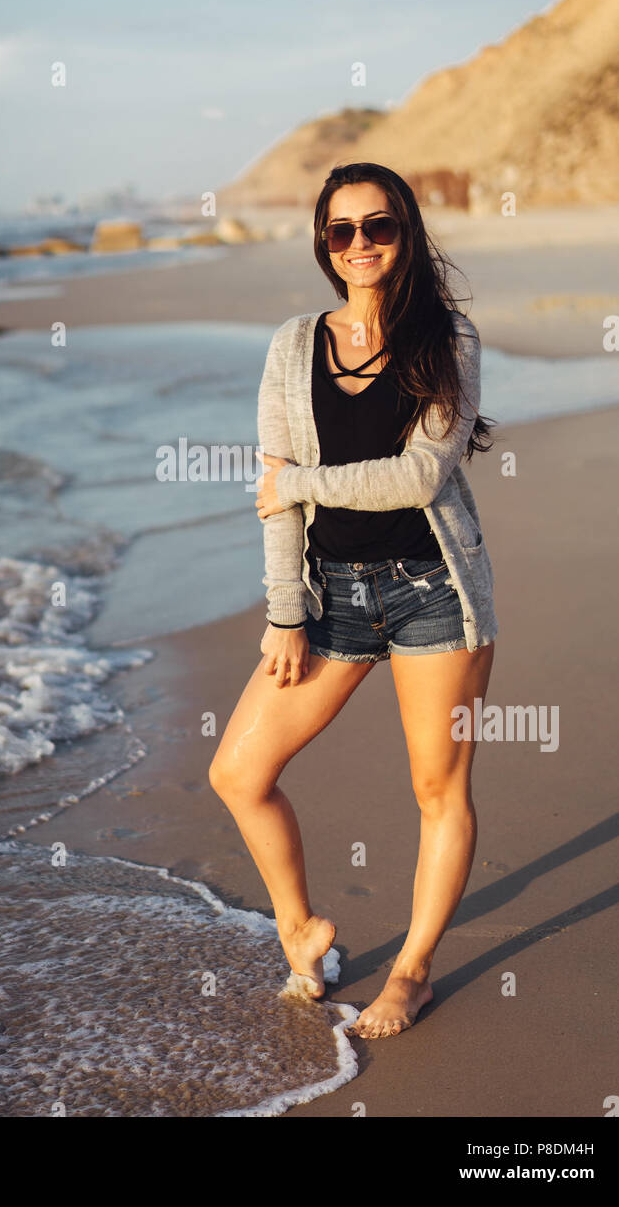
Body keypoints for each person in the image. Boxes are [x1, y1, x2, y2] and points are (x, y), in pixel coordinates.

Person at [209, 162, 498, 1039]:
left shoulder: (446, 341)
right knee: (238, 772)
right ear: (323, 243)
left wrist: (300, 480)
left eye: (379, 227)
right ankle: (298, 928)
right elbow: (276, 500)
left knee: (435, 788)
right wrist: (285, 612)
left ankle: (410, 973)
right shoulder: (294, 343)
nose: (361, 245)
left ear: (405, 233)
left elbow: (419, 476)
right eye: (342, 231)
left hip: (433, 593)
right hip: (329, 598)